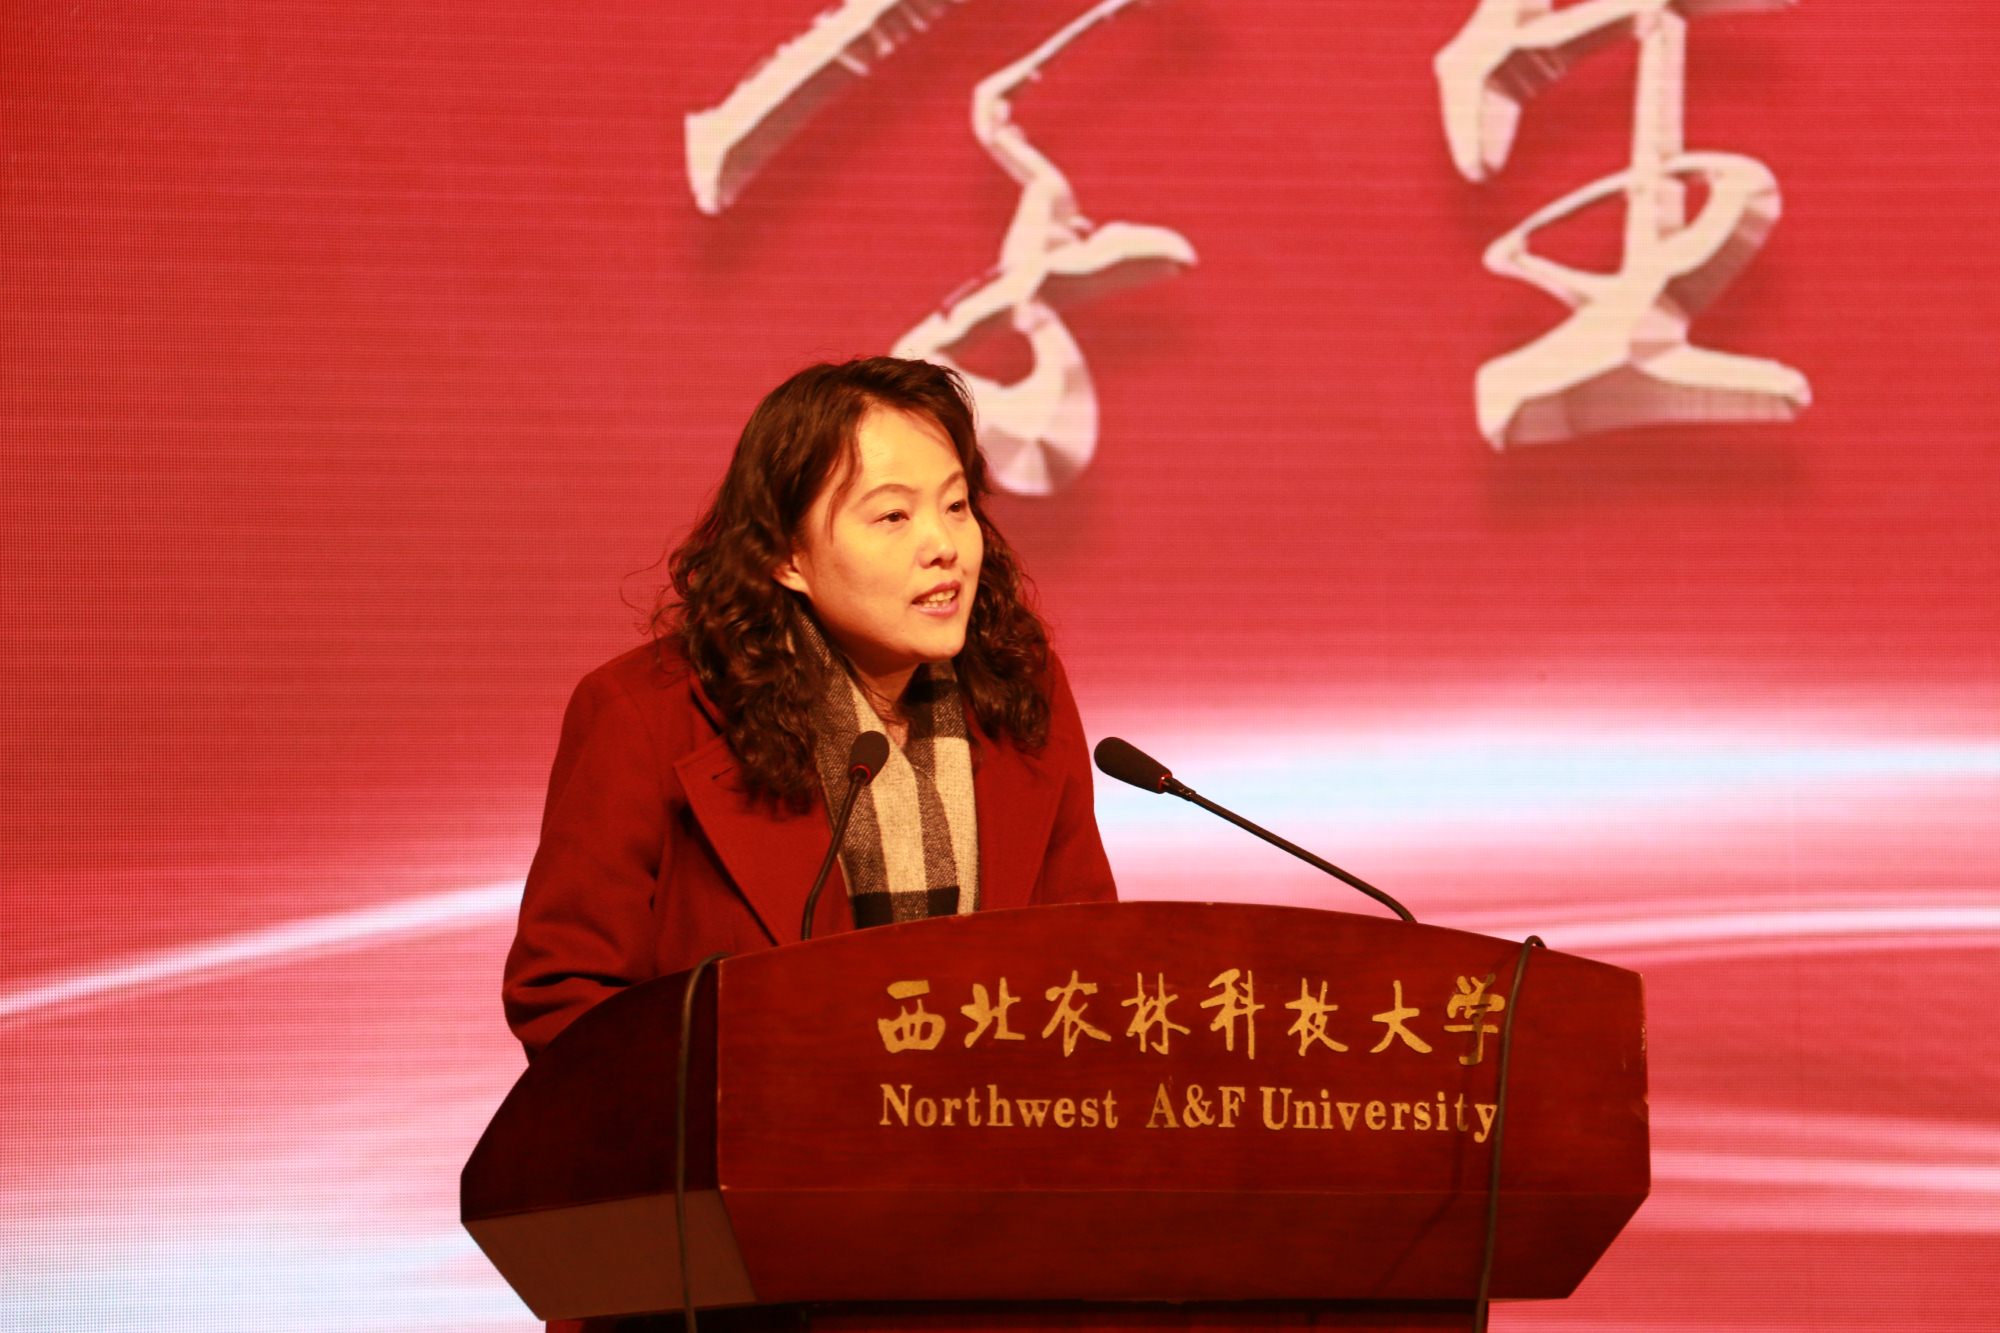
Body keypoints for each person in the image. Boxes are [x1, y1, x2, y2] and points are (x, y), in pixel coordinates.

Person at [503, 355, 1118, 1064]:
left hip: (985, 1126)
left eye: (956, 506)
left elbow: (1092, 968)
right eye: (893, 515)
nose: (944, 546)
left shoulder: (1019, 694)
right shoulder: (646, 715)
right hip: (737, 1130)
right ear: (787, 556)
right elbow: (565, 994)